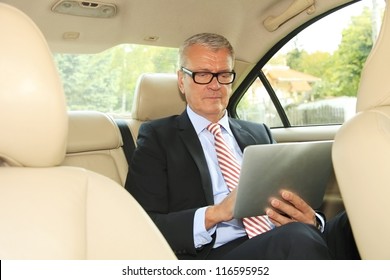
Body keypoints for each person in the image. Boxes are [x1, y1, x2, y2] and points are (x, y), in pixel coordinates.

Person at [126, 32, 359, 260]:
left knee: (360, 219)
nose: (215, 85)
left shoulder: (259, 132)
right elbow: (141, 224)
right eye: (203, 75)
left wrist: (312, 221)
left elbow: (292, 197)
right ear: (181, 80)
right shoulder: (158, 138)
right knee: (296, 238)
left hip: (285, 236)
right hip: (218, 254)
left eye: (223, 74)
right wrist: (216, 213)